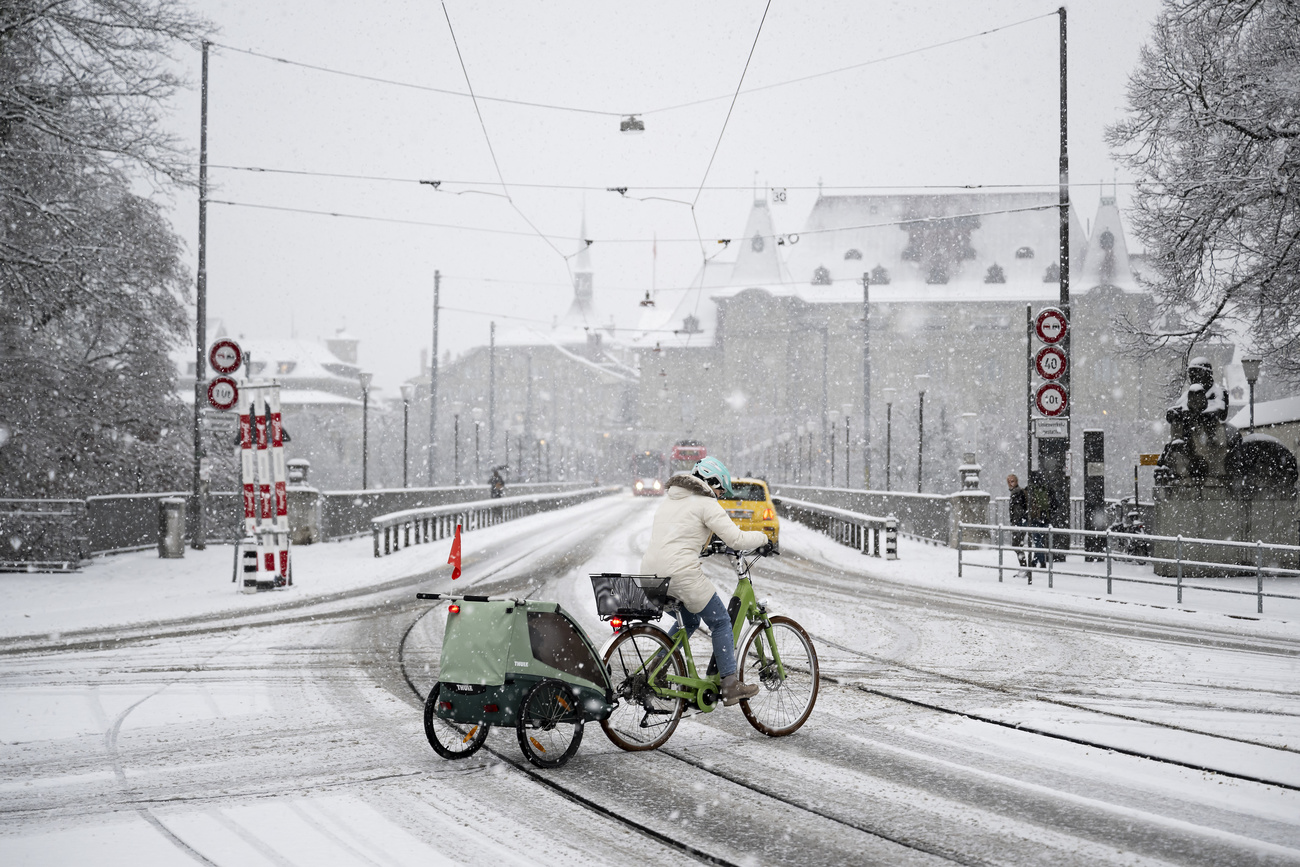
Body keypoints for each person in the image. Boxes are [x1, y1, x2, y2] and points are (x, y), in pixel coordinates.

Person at [641, 457, 770, 706]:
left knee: (688, 621)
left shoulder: (670, 500)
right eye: (721, 489)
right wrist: (764, 539)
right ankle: (730, 685)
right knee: (721, 622)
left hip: (650, 576)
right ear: (710, 481)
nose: (721, 495)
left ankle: (657, 667)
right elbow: (738, 540)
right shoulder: (706, 503)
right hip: (680, 574)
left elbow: (678, 535)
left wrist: (706, 545)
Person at [1006, 474, 1029, 580]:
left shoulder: (1017, 493)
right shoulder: (1017, 492)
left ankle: (1024, 568)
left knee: (1017, 545)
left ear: (1016, 481)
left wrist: (1016, 521)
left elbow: (1018, 509)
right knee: (1017, 545)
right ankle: (1024, 568)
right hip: (1019, 522)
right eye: (1009, 481)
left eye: (1012, 481)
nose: (1010, 483)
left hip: (1019, 522)